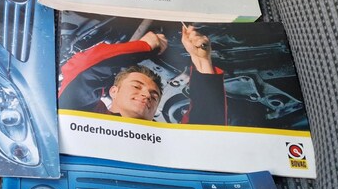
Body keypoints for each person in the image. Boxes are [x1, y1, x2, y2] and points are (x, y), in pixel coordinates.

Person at [58, 24, 227, 125]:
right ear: (114, 91)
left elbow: (207, 127)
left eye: (154, 95)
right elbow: (83, 73)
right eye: (136, 86)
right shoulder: (83, 119)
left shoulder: (166, 138)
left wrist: (202, 60)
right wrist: (143, 46)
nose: (147, 95)